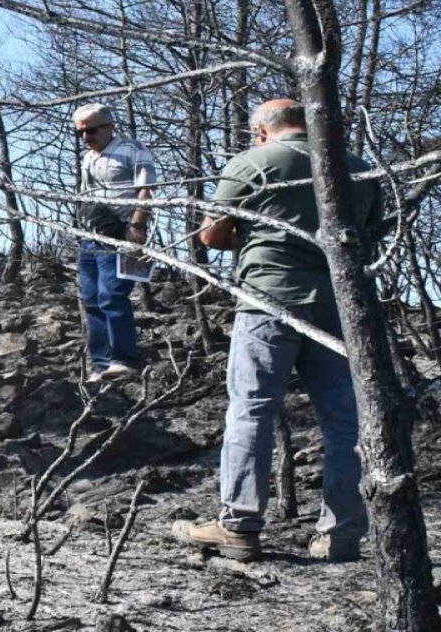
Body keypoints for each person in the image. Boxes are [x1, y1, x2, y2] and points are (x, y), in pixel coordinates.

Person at [172, 99, 380, 562]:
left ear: (261, 132)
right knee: (347, 422)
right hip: (340, 305)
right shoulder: (358, 167)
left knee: (252, 411)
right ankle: (342, 534)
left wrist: (247, 237)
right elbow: (370, 231)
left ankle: (239, 527)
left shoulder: (253, 162)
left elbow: (210, 234)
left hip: (268, 300)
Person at [73, 103, 156, 382]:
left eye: (91, 130)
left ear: (109, 127)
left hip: (120, 233)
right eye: (80, 132)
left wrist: (137, 225)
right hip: (90, 235)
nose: (86, 137)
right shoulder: (88, 159)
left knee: (112, 295)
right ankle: (100, 365)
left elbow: (147, 189)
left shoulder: (132, 149)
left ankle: (123, 360)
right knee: (92, 299)